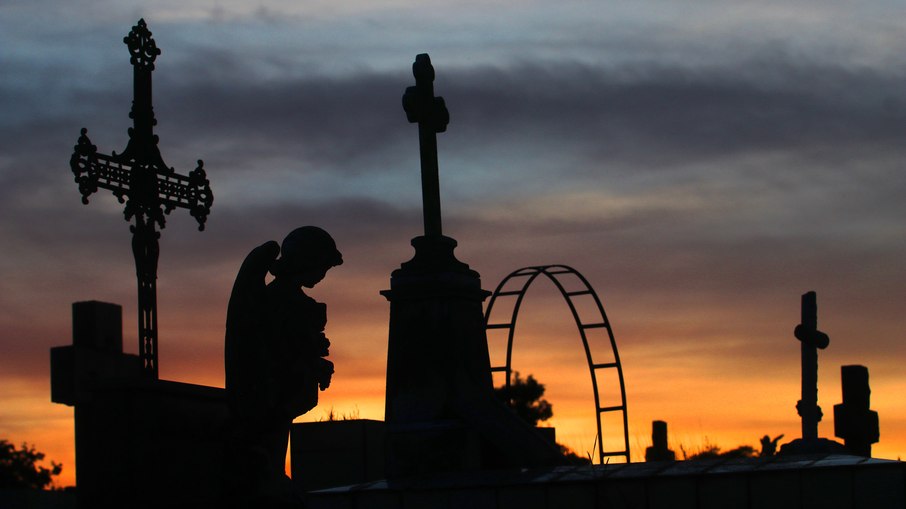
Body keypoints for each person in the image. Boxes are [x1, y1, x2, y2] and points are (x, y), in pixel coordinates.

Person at [224, 226, 342, 506]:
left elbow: (294, 349)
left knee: (277, 437)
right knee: (271, 438)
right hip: (269, 393)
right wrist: (312, 361)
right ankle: (269, 478)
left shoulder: (294, 302)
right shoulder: (278, 301)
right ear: (307, 261)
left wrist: (315, 362)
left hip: (281, 393)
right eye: (322, 267)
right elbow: (275, 352)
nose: (323, 275)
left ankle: (273, 475)